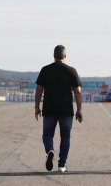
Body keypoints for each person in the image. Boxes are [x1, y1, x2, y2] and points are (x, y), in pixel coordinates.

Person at [35, 45, 83, 173]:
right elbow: (78, 91)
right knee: (65, 137)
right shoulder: (71, 71)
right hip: (66, 110)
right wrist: (79, 110)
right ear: (65, 56)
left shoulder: (45, 70)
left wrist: (37, 107)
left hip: (49, 109)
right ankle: (62, 165)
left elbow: (38, 90)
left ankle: (50, 150)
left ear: (54, 56)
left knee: (47, 134)